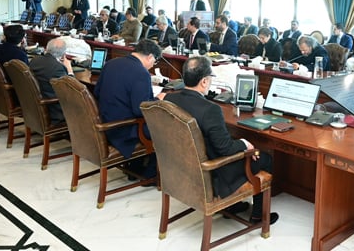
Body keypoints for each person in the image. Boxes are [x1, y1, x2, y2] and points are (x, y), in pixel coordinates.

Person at [164, 56, 279, 225]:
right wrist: (244, 144)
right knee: (265, 158)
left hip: (182, 167)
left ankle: (232, 206)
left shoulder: (169, 99)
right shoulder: (211, 110)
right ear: (204, 81)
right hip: (213, 171)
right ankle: (258, 215)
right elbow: (225, 149)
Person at [94, 40, 163, 179]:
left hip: (105, 122)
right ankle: (149, 175)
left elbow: (97, 92)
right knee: (164, 127)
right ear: (150, 56)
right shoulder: (141, 73)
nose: (152, 66)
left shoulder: (111, 63)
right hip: (124, 130)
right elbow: (141, 110)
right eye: (154, 62)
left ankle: (135, 166)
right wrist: (159, 99)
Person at [29, 38, 74, 125]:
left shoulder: (35, 60)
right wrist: (70, 70)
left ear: (47, 48)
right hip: (54, 111)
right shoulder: (58, 68)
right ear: (63, 55)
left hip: (35, 107)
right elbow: (71, 90)